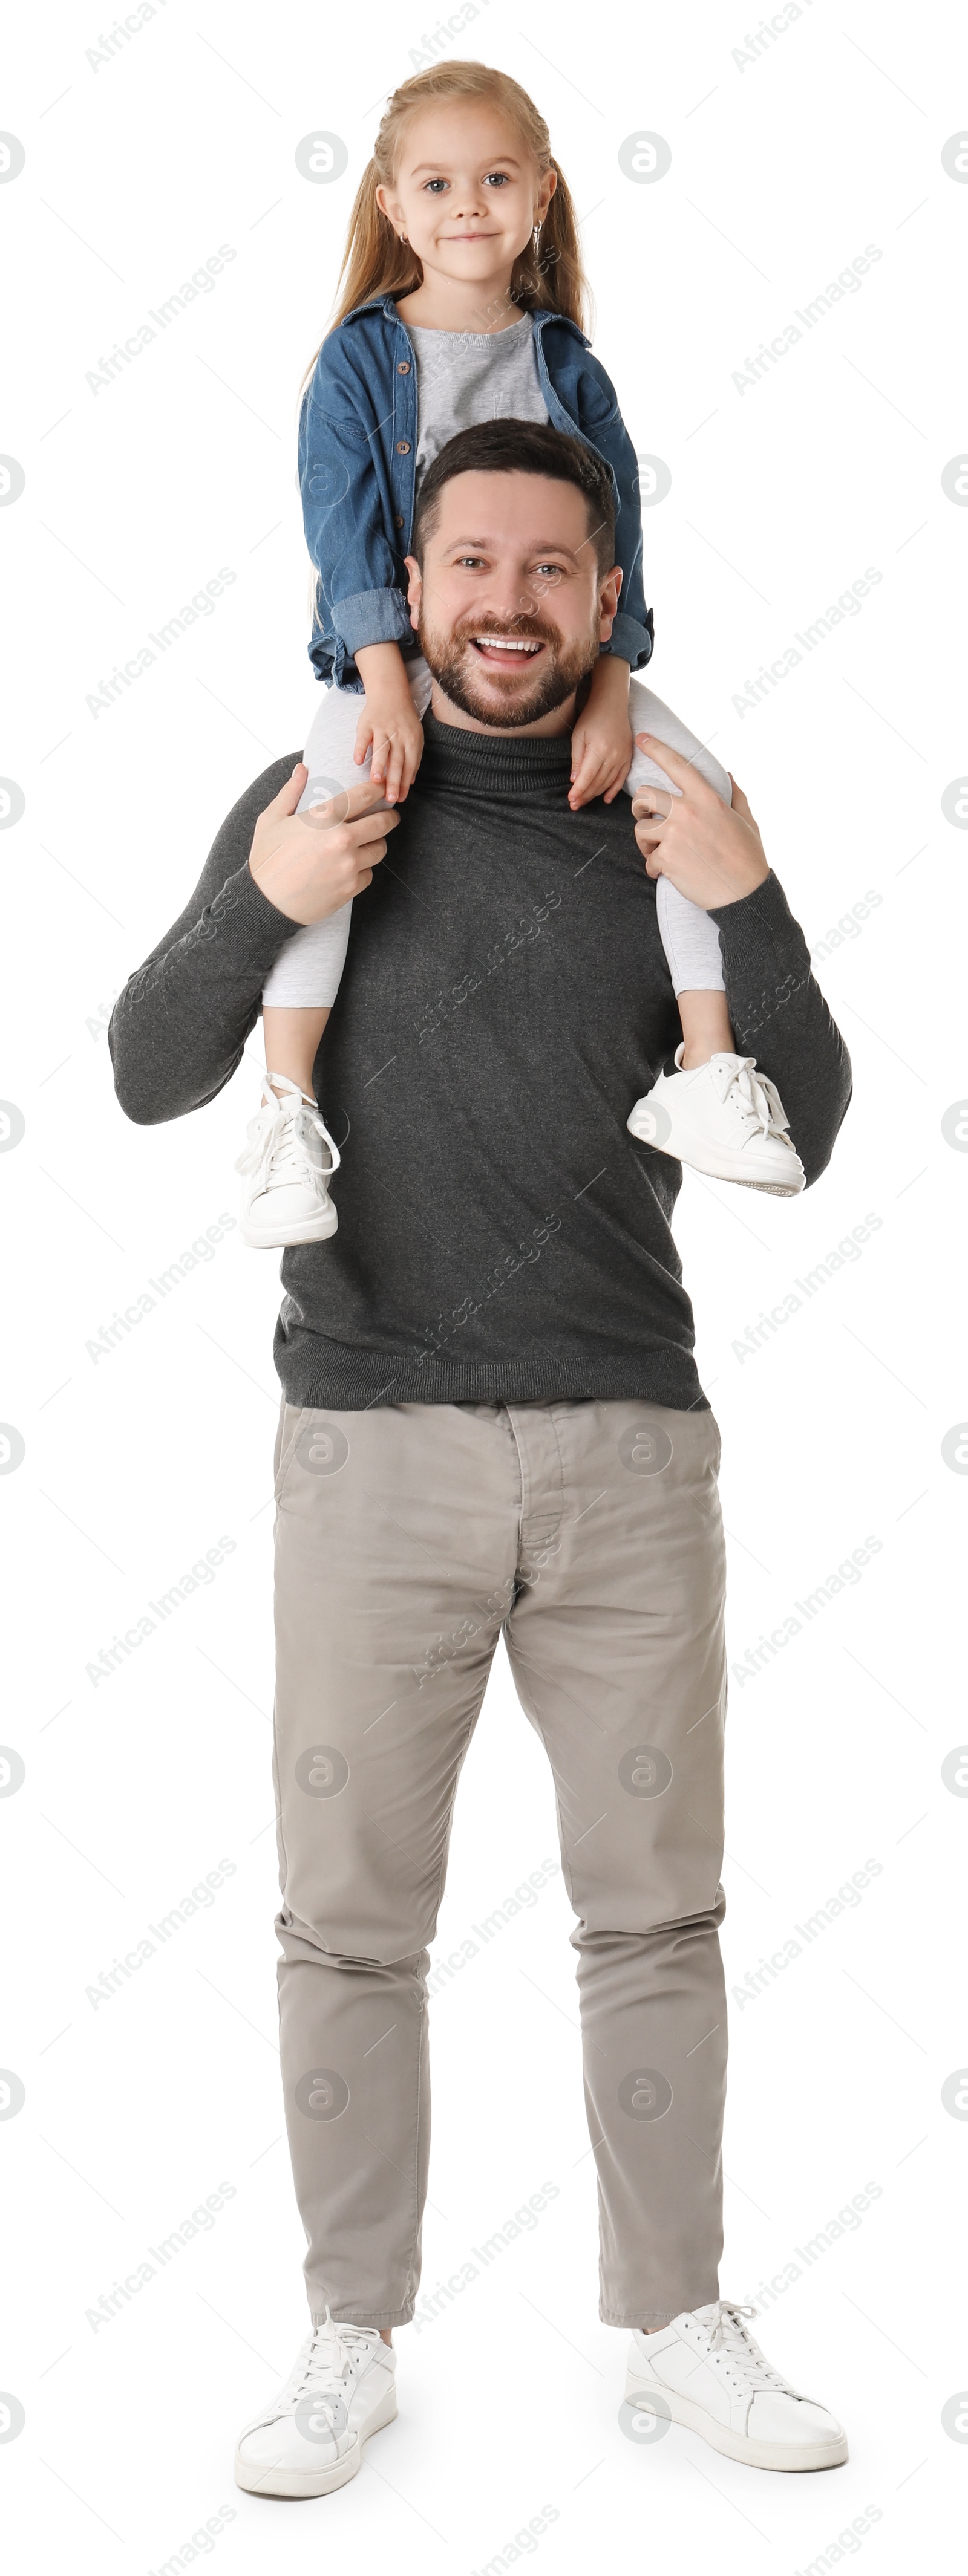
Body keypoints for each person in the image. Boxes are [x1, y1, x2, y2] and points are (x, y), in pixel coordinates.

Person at [109, 423, 852, 2496]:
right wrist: (258, 900)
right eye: (470, 566)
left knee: (658, 1917)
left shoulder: (669, 815)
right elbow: (146, 1070)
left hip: (628, 1444)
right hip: (370, 1453)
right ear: (406, 591)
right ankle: (348, 2333)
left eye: (551, 569)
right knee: (349, 1925)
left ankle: (677, 2311)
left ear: (607, 600)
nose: (509, 603)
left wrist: (754, 894)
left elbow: (817, 1119)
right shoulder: (321, 801)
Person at [238, 59, 803, 1251]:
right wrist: (385, 683)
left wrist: (610, 690)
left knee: (697, 799)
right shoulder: (357, 364)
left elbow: (618, 550)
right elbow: (343, 534)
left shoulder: (568, 369)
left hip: (557, 683)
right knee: (326, 829)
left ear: (539, 195)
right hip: (382, 672)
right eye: (437, 183)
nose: (467, 206)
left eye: (494, 179)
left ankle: (704, 1069)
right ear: (392, 205)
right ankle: (287, 1109)